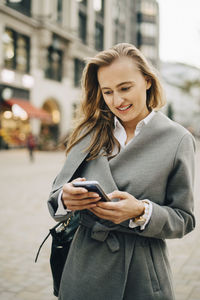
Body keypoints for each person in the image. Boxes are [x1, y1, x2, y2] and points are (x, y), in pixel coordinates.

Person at [47, 43, 196, 300]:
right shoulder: (88, 132)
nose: (117, 101)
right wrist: (66, 198)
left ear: (147, 81)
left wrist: (140, 211)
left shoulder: (178, 139)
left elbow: (184, 219)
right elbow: (56, 197)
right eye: (107, 91)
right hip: (84, 268)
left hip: (141, 274)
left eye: (125, 88)